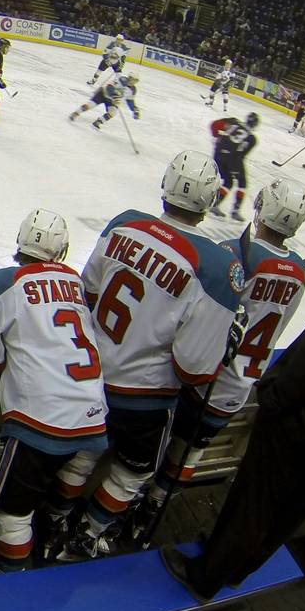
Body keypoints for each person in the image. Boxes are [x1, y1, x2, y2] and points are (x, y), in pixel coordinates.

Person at [53, 150, 244, 562]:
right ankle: (89, 533)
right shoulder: (215, 266)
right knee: (134, 470)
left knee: (84, 453)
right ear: (210, 200)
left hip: (88, 377)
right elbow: (193, 367)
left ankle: (55, 519)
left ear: (166, 186)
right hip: (143, 400)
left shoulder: (125, 222)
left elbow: (85, 293)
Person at [162, 257, 305, 602]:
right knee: (296, 506)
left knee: (255, 498)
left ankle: (207, 575)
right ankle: (241, 567)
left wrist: (277, 394)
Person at [133, 179, 305, 541]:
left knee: (160, 444)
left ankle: (134, 502)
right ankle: (156, 507)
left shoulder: (237, 253)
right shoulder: (300, 271)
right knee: (191, 450)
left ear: (264, 209)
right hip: (241, 386)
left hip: (207, 376)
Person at [0, 210, 107, 572]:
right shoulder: (73, 282)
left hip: (45, 421)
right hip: (95, 417)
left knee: (11, 512)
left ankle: (12, 577)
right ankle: (55, 529)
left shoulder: (5, 282)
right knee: (68, 477)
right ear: (61, 250)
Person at [207, 113, 259, 222]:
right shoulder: (252, 138)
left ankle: (215, 204)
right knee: (242, 183)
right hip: (232, 158)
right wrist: (235, 169)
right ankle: (235, 211)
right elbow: (241, 154)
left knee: (228, 181)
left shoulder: (234, 122)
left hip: (217, 154)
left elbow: (214, 124)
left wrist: (216, 137)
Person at [69, 73, 140, 131]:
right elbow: (109, 87)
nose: (133, 82)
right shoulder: (122, 79)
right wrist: (115, 96)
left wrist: (134, 110)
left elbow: (130, 100)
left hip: (112, 101)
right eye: (133, 80)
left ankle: (98, 122)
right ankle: (76, 112)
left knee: (113, 112)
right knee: (91, 105)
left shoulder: (133, 90)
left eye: (135, 81)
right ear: (129, 78)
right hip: (103, 93)